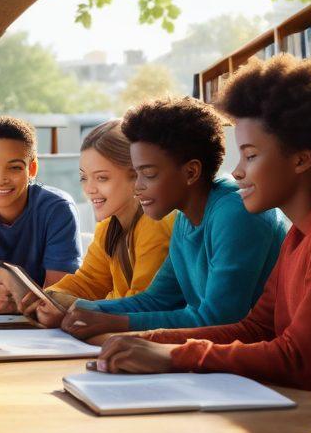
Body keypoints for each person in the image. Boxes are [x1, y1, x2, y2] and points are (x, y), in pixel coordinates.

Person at [89, 55, 311, 433]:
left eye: (250, 155)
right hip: (302, 426)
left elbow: (300, 360)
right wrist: (147, 343)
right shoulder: (299, 233)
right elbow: (256, 327)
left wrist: (173, 356)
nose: (236, 170)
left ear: (302, 159)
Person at [57, 96, 285, 342]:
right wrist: (78, 310)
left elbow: (219, 319)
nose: (138, 187)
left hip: (263, 363)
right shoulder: (186, 216)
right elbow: (158, 299)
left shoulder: (236, 213)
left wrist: (114, 322)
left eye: (148, 174)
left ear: (190, 172)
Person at [23, 120, 174, 326]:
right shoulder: (109, 226)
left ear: (136, 175)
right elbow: (88, 282)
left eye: (102, 178)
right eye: (84, 178)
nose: (89, 189)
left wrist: (71, 307)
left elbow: (142, 305)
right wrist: (49, 297)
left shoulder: (154, 224)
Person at [0, 116, 81, 314]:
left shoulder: (57, 209)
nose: (1, 178)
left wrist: (14, 282)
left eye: (14, 168)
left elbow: (59, 300)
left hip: (45, 328)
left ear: (32, 169)